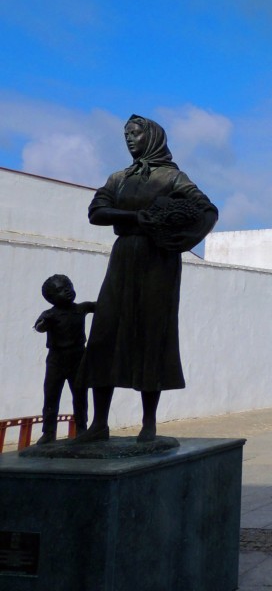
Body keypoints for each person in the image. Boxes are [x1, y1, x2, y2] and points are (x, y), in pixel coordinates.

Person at [76, 115, 218, 443]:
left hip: (158, 259)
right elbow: (96, 212)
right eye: (126, 134)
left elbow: (205, 210)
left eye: (135, 133)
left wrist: (178, 239)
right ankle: (100, 423)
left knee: (153, 333)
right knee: (105, 334)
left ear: (151, 137)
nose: (129, 139)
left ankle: (149, 423)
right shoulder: (118, 178)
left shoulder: (173, 178)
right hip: (123, 256)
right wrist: (135, 216)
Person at [33, 274, 95, 444]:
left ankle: (82, 428)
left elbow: (101, 306)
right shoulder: (50, 314)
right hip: (56, 359)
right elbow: (39, 326)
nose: (67, 291)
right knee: (51, 395)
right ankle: (49, 432)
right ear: (51, 298)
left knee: (80, 395)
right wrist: (43, 324)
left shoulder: (81, 308)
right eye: (60, 289)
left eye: (69, 286)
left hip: (78, 357)